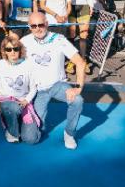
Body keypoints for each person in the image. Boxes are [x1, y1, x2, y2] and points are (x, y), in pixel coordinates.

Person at [22, 12, 85, 149]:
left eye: (41, 25)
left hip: (58, 85)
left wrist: (78, 87)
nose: (38, 28)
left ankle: (69, 134)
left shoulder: (59, 39)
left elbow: (80, 63)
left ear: (47, 24)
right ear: (29, 27)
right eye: (34, 26)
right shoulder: (24, 42)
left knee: (77, 100)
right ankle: (37, 124)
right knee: (31, 139)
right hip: (37, 90)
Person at [0, 38, 40, 144]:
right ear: (4, 51)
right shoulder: (0, 65)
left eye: (15, 49)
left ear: (20, 50)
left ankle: (21, 121)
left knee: (31, 139)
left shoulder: (28, 65)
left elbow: (33, 88)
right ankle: (12, 132)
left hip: (23, 102)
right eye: (9, 49)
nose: (12, 52)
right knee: (13, 108)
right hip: (6, 102)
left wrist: (26, 100)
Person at [63, 0, 95, 74]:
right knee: (71, 34)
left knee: (83, 34)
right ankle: (72, 60)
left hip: (84, 5)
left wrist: (91, 5)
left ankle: (83, 60)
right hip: (70, 6)